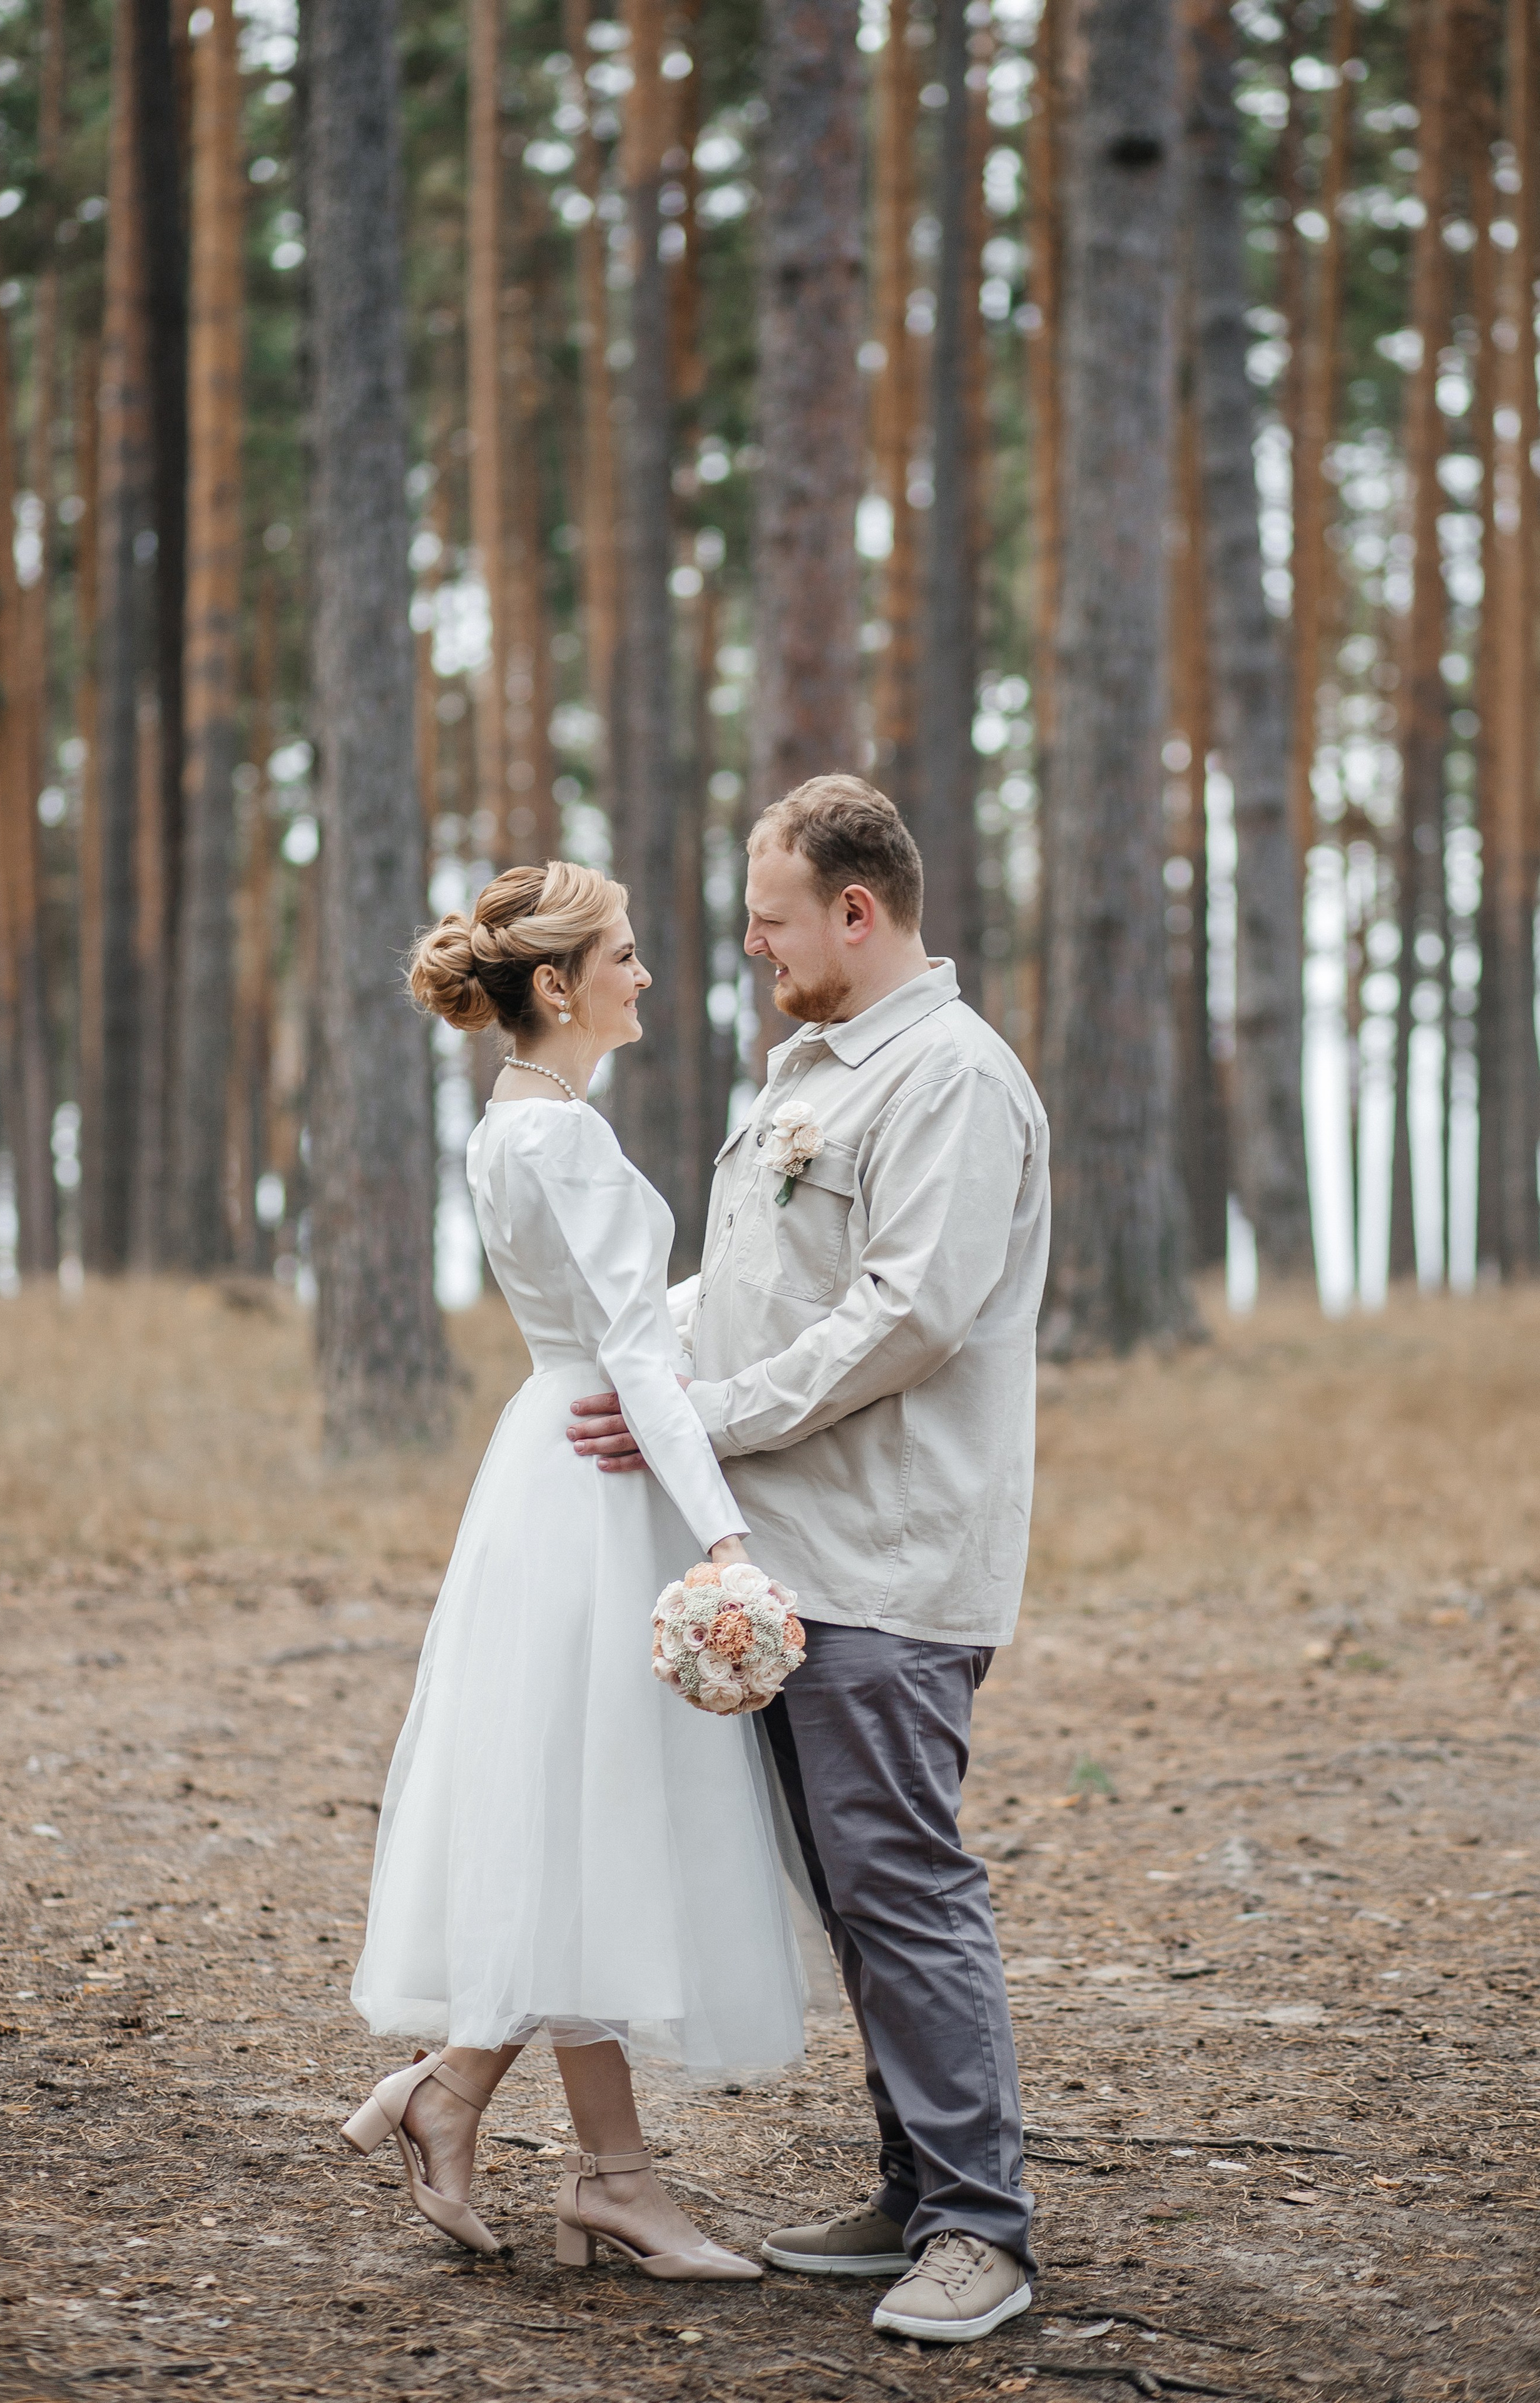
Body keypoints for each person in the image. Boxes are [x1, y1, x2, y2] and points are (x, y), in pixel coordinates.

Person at [566, 775, 1051, 2345]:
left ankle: (982, 2228)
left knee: (902, 1886)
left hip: (888, 1563)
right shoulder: (819, 1073)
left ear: (857, 909)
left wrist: (710, 1418)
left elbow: (907, 1314)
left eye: (774, 918)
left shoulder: (951, 1082)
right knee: (852, 1895)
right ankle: (916, 2191)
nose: (754, 946)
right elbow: (756, 1292)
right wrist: (634, 1372)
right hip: (792, 1565)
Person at [341, 858, 830, 2284]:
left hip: (550, 1466)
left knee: (576, 1812)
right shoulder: (565, 1141)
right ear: (555, 987)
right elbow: (631, 1359)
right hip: (601, 1484)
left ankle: (497, 2116)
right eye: (623, 953)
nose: (644, 974)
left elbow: (621, 1325)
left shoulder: (520, 1125)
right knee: (596, 1807)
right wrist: (725, 1537)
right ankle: (573, 2156)